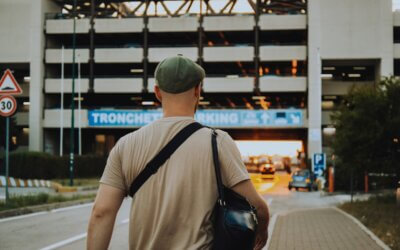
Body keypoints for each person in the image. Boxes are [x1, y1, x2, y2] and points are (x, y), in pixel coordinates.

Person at [87, 55, 270, 250]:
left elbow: (102, 212)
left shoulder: (126, 145)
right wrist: (262, 231)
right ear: (198, 90)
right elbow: (257, 207)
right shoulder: (217, 142)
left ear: (157, 92)